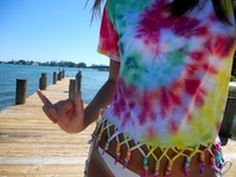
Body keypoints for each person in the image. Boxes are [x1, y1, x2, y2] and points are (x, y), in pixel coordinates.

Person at [37, 0, 236, 176]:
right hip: (113, 160)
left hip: (200, 166)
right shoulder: (118, 4)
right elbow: (115, 81)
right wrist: (82, 120)